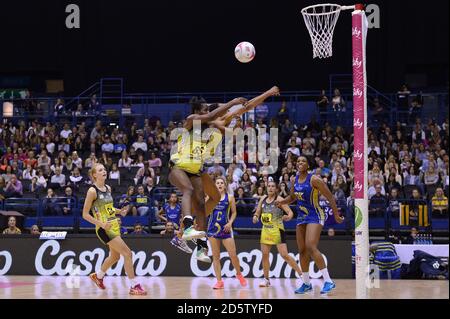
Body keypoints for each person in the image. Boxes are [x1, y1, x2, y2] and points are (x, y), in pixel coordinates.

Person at [276, 156, 344, 294]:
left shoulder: (314, 179)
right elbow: (293, 197)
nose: (300, 163)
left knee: (311, 246)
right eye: (298, 161)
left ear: (308, 165)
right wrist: (282, 202)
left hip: (315, 215)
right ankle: (306, 283)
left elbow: (330, 196)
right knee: (302, 250)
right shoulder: (294, 180)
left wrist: (336, 215)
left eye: (303, 161)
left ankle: (328, 281)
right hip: (301, 216)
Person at [82, 163, 147, 295]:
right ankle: (134, 285)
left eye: (104, 169)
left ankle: (98, 276)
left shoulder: (108, 188)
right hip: (104, 228)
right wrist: (101, 224)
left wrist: (119, 211)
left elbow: (109, 208)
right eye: (100, 170)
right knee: (128, 253)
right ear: (94, 175)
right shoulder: (92, 191)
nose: (104, 171)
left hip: (114, 225)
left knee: (115, 256)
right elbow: (85, 214)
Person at [253, 181, 303, 288]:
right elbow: (257, 212)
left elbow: (290, 213)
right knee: (265, 255)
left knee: (284, 255)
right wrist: (256, 217)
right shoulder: (262, 199)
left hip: (277, 230)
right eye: (269, 186)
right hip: (266, 230)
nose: (270, 188)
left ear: (276, 189)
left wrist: (287, 217)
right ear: (266, 188)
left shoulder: (279, 200)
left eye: (272, 186)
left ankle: (302, 275)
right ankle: (266, 279)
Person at [206, 177, 247, 289]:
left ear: (225, 185)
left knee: (233, 255)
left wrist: (230, 223)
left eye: (221, 183)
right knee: (216, 256)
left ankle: (238, 274)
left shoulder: (230, 198)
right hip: (212, 229)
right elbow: (204, 211)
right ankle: (219, 281)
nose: (219, 185)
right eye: (217, 183)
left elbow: (234, 213)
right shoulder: (210, 198)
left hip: (225, 229)